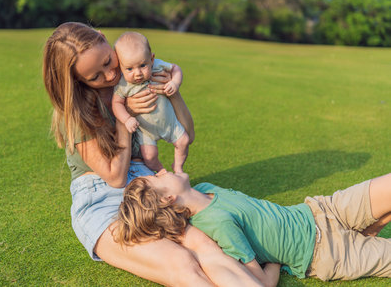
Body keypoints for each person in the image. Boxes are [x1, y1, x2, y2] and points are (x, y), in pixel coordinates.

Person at [43, 22, 262, 287]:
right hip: (100, 199)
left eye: (107, 61)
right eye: (95, 76)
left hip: (147, 183)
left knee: (205, 245)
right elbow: (114, 177)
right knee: (181, 262)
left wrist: (174, 92)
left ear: (104, 39)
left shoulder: (136, 71)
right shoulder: (77, 112)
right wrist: (126, 118)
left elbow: (187, 135)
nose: (110, 75)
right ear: (78, 80)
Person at [117, 170, 391, 285]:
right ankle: (367, 233)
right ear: (168, 198)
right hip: (326, 253)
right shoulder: (218, 225)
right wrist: (276, 259)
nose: (162, 171)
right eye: (157, 177)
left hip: (322, 210)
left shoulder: (205, 189)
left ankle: (370, 227)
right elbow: (259, 281)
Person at [112, 31, 189, 173]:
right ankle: (161, 171)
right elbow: (116, 103)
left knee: (183, 141)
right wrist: (127, 119)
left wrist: (175, 83)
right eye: (129, 69)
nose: (137, 73)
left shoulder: (158, 66)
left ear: (152, 59)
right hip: (146, 130)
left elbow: (175, 68)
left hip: (169, 123)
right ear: (121, 68)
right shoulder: (123, 84)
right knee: (149, 156)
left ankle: (178, 167)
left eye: (142, 65)